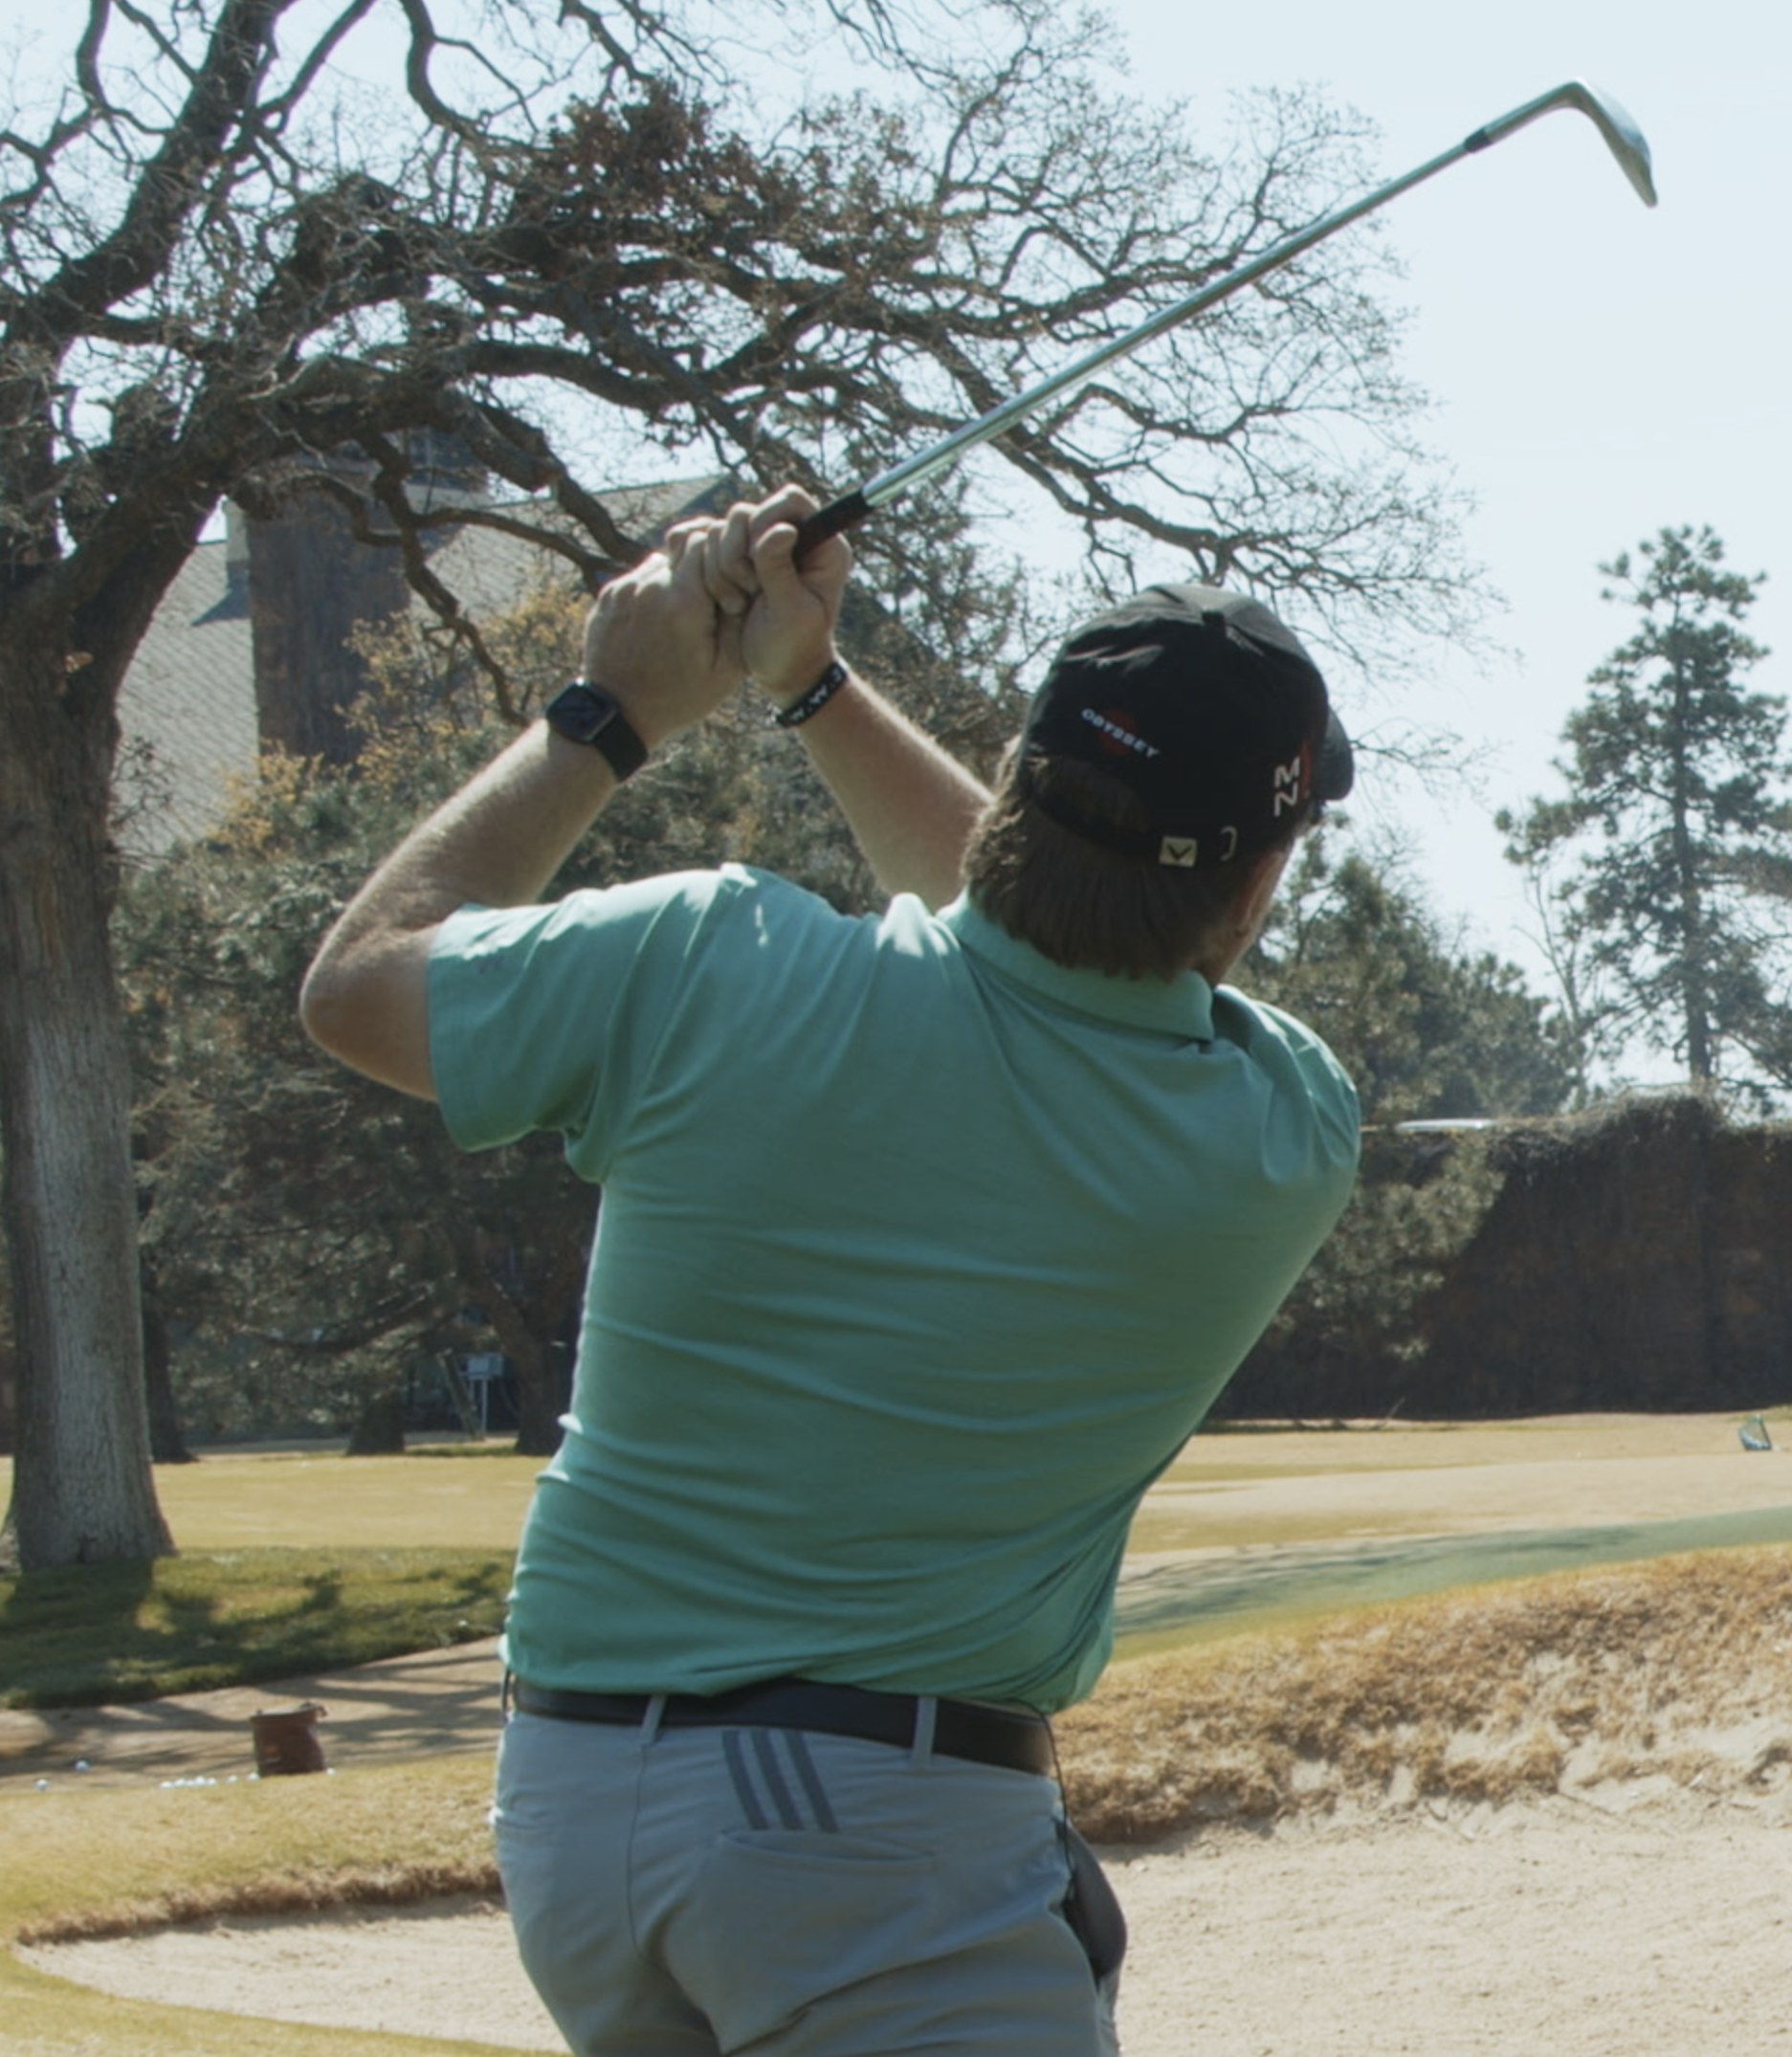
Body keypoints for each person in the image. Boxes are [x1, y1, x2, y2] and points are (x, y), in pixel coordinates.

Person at [299, 484, 1361, 2055]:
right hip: (878, 1837)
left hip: (579, 1814)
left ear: (1015, 774)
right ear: (1262, 876)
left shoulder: (710, 959)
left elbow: (359, 986)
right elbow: (1062, 949)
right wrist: (810, 689)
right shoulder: (1274, 1129)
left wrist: (621, 707)